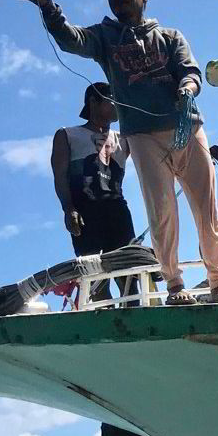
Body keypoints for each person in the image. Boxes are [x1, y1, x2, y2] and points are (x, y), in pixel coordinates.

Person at [11, 0, 218, 304]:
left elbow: (190, 71)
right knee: (162, 210)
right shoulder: (105, 38)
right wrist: (48, 9)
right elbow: (71, 39)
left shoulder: (170, 36)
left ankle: (217, 281)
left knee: (206, 208)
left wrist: (187, 88)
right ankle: (175, 285)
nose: (119, 0)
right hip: (141, 135)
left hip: (187, 128)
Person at [51, 82, 134, 303]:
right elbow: (60, 176)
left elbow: (157, 153)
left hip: (117, 208)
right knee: (94, 275)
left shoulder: (125, 139)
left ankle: (134, 314)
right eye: (111, 100)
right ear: (94, 102)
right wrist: (69, 209)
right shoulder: (67, 135)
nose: (117, 105)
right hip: (85, 210)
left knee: (129, 272)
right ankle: (103, 316)